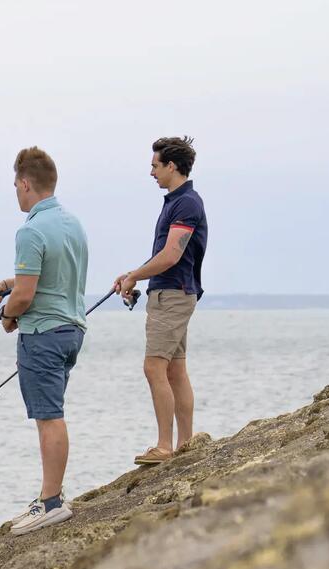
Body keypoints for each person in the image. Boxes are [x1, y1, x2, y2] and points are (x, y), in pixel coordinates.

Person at [0, 146, 88, 536]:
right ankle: (51, 495)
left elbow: (26, 297)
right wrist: (6, 284)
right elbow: (46, 278)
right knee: (52, 412)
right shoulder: (72, 223)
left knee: (48, 416)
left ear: (25, 183)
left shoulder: (30, 230)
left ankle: (51, 502)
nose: (15, 192)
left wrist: (8, 316)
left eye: (15, 185)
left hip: (42, 335)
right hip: (71, 331)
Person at [110, 136, 208, 465]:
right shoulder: (175, 202)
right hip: (171, 290)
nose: (151, 172)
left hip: (173, 293)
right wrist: (133, 275)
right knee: (176, 370)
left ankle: (165, 446)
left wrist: (136, 275)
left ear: (171, 166)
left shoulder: (187, 203)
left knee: (154, 366)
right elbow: (163, 257)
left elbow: (171, 254)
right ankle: (185, 444)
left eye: (155, 165)